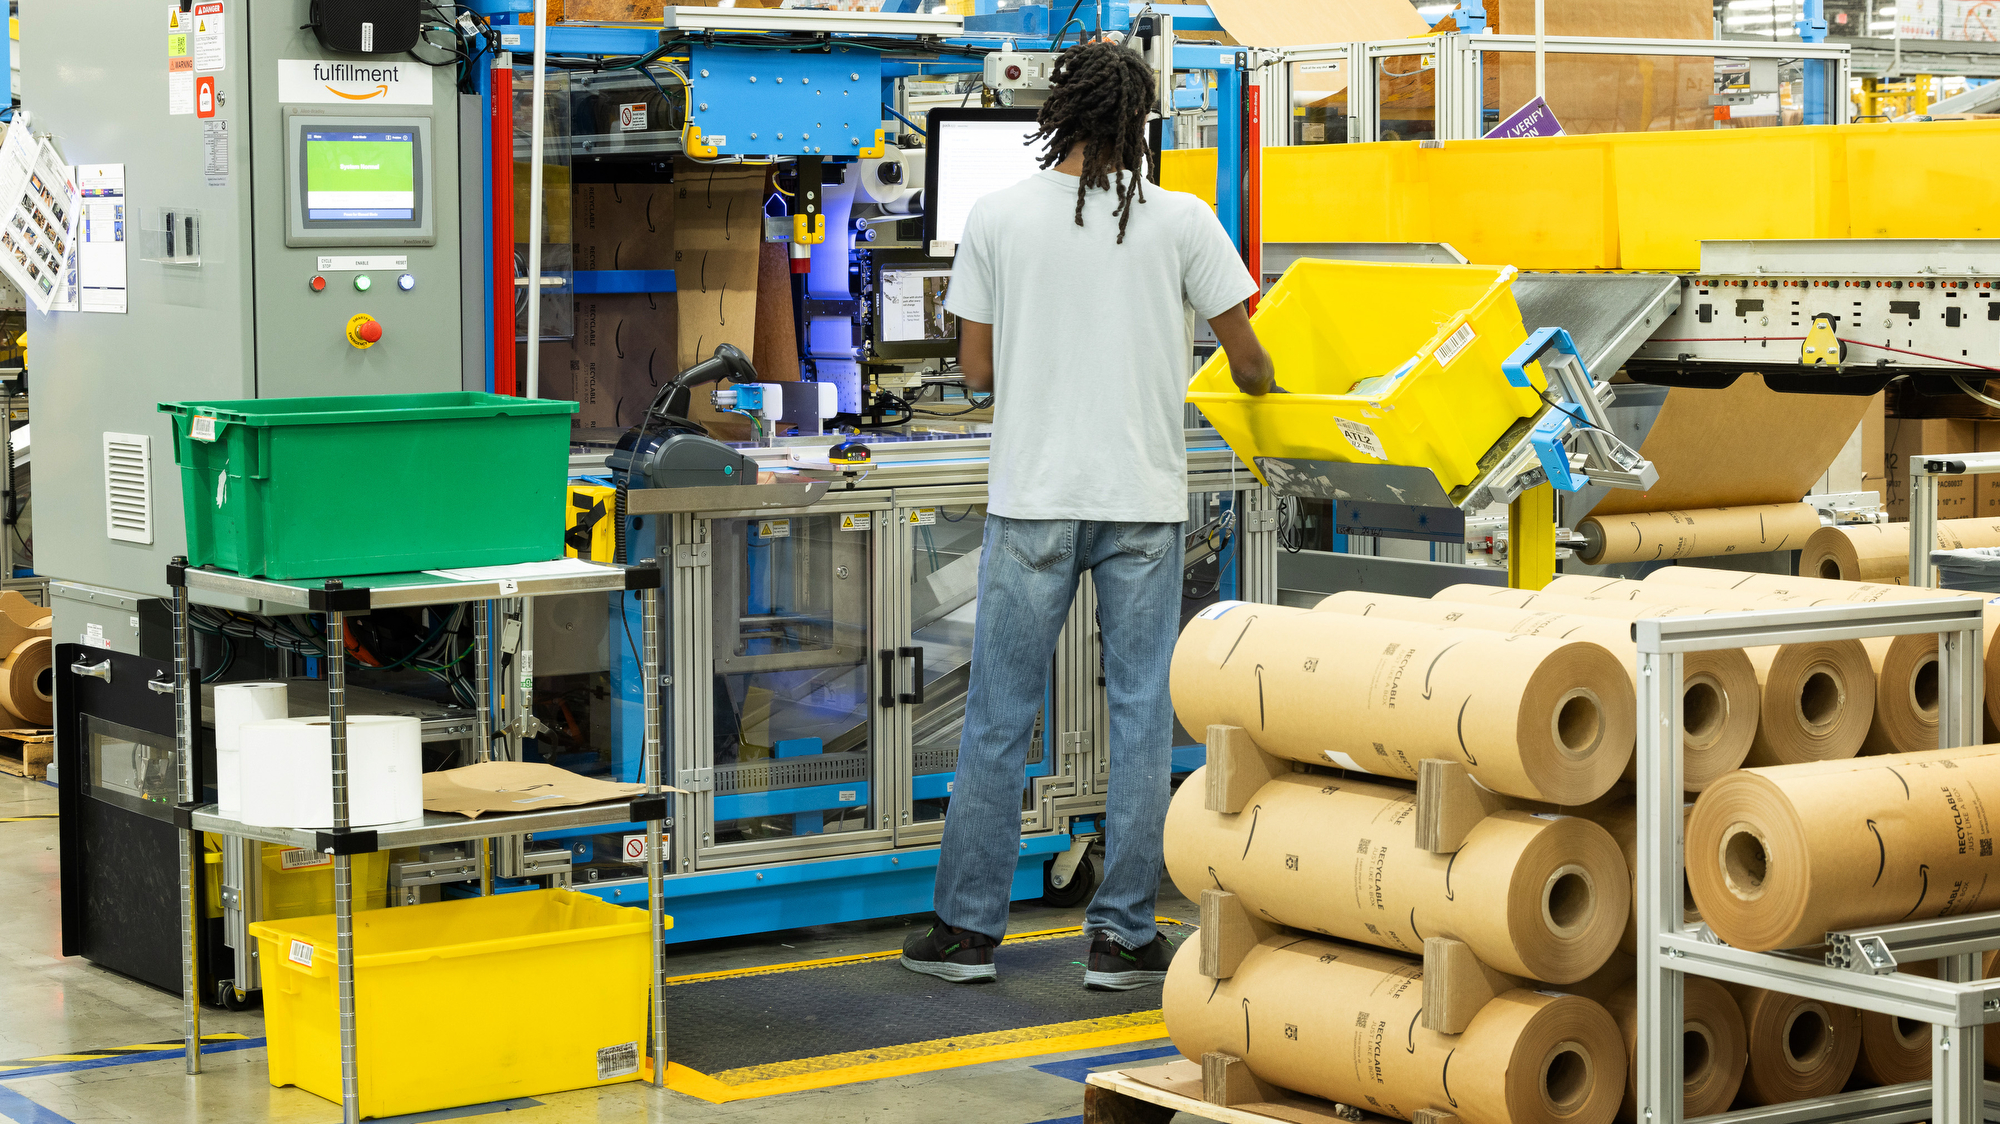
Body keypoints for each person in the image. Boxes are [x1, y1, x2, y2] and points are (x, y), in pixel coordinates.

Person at [900, 40, 1276, 990]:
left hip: (1032, 500)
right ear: (1141, 123)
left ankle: (967, 934)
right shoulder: (1185, 220)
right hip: (1142, 504)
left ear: (1053, 112)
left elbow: (977, 372)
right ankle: (1123, 937)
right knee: (1143, 716)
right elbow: (1251, 360)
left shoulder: (996, 217)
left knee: (998, 717)